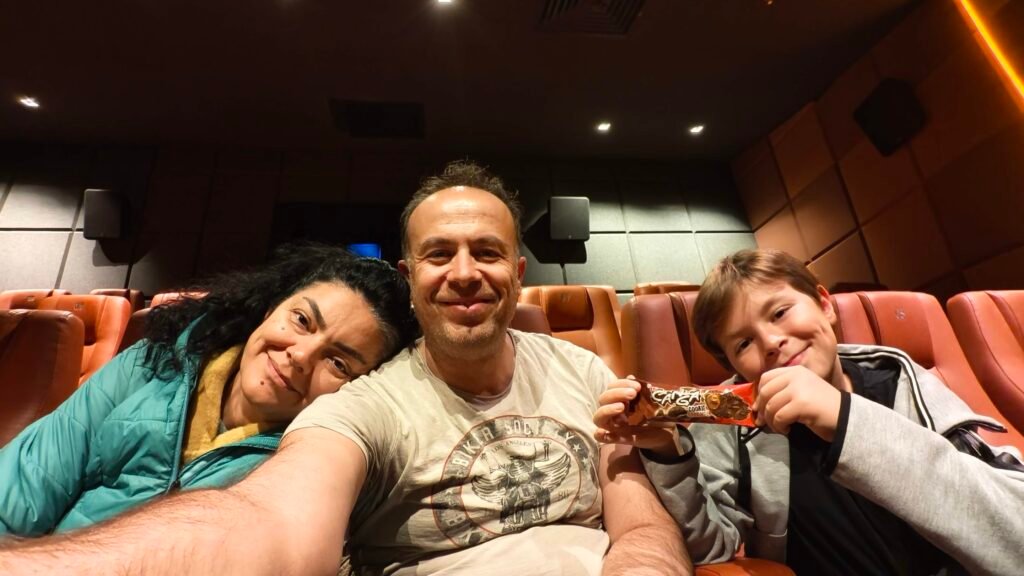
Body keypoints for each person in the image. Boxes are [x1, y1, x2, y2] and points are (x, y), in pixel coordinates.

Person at [0, 161, 690, 576]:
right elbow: (271, 523)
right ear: (411, 276)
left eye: (485, 252)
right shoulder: (362, 406)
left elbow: (638, 522)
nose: (464, 273)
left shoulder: (581, 367)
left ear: (518, 272)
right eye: (439, 253)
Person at [594, 248, 1024, 575]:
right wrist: (668, 454)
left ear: (824, 303)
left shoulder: (904, 383)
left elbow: (1013, 530)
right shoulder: (734, 422)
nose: (771, 342)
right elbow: (711, 547)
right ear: (735, 366)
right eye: (743, 343)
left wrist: (842, 418)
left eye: (780, 312)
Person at [0, 242, 419, 537]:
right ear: (270, 308)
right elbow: (29, 477)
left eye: (338, 362)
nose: (300, 355)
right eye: (302, 320)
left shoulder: (315, 464)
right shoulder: (153, 360)